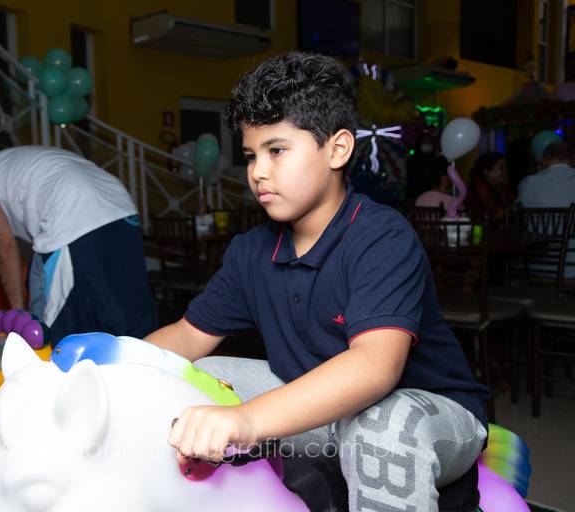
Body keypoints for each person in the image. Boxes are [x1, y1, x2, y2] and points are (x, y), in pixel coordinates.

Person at [145, 52, 489, 511]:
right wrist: (107, 365)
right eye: (250, 155)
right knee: (194, 379)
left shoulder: (381, 236)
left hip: (427, 411)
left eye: (276, 150)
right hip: (326, 412)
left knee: (383, 424)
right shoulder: (251, 250)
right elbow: (187, 336)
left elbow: (374, 368)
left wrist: (248, 419)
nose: (257, 172)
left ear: (338, 149)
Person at [0, 146, 157, 344]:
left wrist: (18, 316)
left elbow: (2, 242)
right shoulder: (18, 162)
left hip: (72, 213)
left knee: (49, 334)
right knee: (127, 319)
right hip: (121, 208)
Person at [518, 141, 575, 278]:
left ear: (544, 159)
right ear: (572, 159)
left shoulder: (527, 183)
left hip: (535, 264)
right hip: (571, 265)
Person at [467, 152, 514, 224]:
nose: (505, 171)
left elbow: (512, 204)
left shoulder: (500, 186)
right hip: (479, 227)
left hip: (496, 227)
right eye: (501, 168)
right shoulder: (478, 185)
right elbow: (493, 212)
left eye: (505, 168)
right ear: (486, 170)